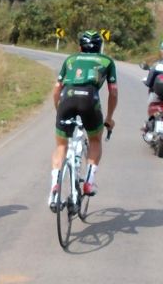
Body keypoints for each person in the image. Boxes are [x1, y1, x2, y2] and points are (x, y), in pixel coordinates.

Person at [49, 30, 118, 210]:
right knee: (95, 140)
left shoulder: (70, 60)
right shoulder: (107, 61)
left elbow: (57, 89)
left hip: (67, 99)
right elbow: (114, 92)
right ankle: (88, 181)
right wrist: (109, 118)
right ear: (99, 47)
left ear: (80, 47)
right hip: (90, 100)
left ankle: (54, 190)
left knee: (61, 146)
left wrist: (59, 110)